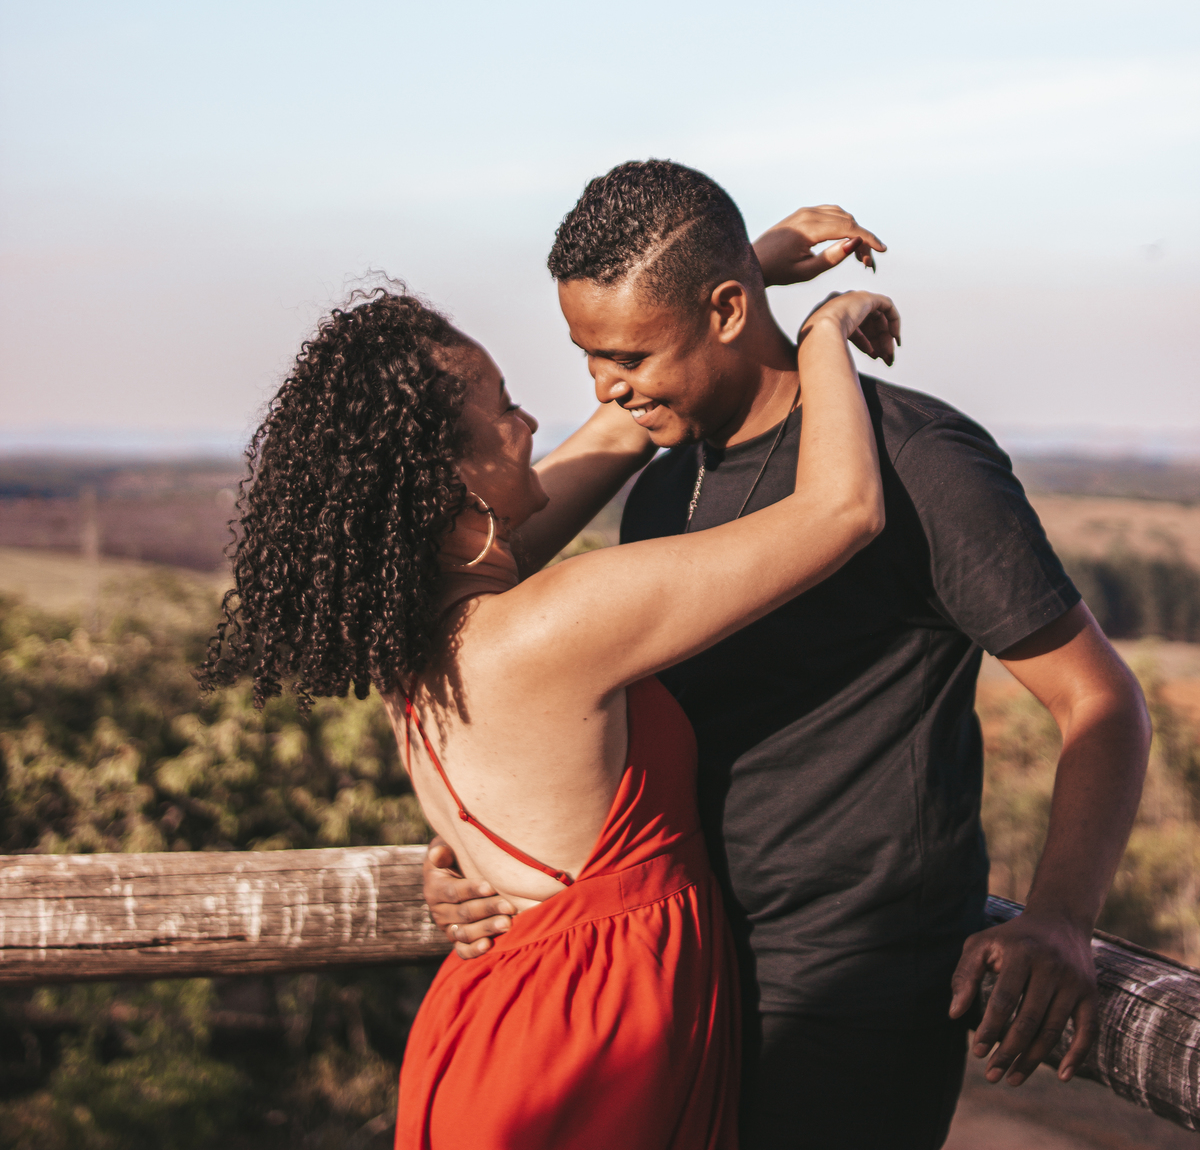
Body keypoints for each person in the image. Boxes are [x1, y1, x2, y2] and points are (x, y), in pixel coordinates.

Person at [426, 160, 1152, 1150]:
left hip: (851, 992)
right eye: (587, 354)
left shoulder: (915, 459)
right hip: (689, 982)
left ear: (727, 307)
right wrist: (495, 862)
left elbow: (1100, 701)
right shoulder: (662, 487)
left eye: (629, 352)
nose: (603, 386)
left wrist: (1063, 916)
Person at [200, 255, 902, 1149]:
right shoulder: (547, 626)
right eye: (504, 407)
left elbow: (621, 431)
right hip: (587, 1041)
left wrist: (732, 278)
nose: (532, 420)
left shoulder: (414, 630)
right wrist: (823, 332)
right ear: (448, 478)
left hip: (508, 1021)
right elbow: (843, 511)